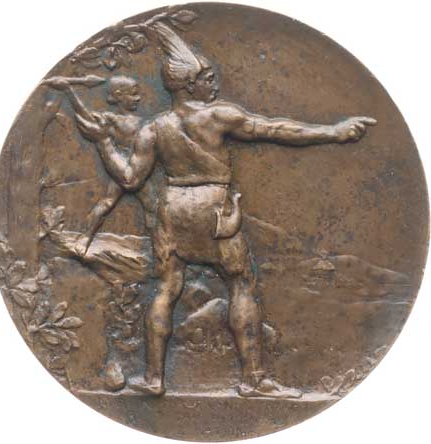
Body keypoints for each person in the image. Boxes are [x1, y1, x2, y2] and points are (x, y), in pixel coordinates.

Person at [77, 22, 376, 398]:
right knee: (241, 283)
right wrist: (333, 132)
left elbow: (130, 178)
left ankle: (154, 378)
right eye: (206, 78)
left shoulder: (153, 129)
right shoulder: (218, 115)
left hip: (173, 207)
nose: (214, 83)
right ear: (189, 84)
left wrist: (104, 144)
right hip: (213, 207)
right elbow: (274, 129)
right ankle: (253, 379)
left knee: (166, 288)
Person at [45, 75, 142, 257]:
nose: (138, 99)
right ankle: (85, 238)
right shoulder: (110, 119)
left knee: (151, 208)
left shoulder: (141, 121)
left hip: (141, 168)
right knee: (106, 203)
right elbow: (85, 115)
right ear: (119, 95)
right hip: (120, 167)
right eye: (133, 94)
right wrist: (70, 92)